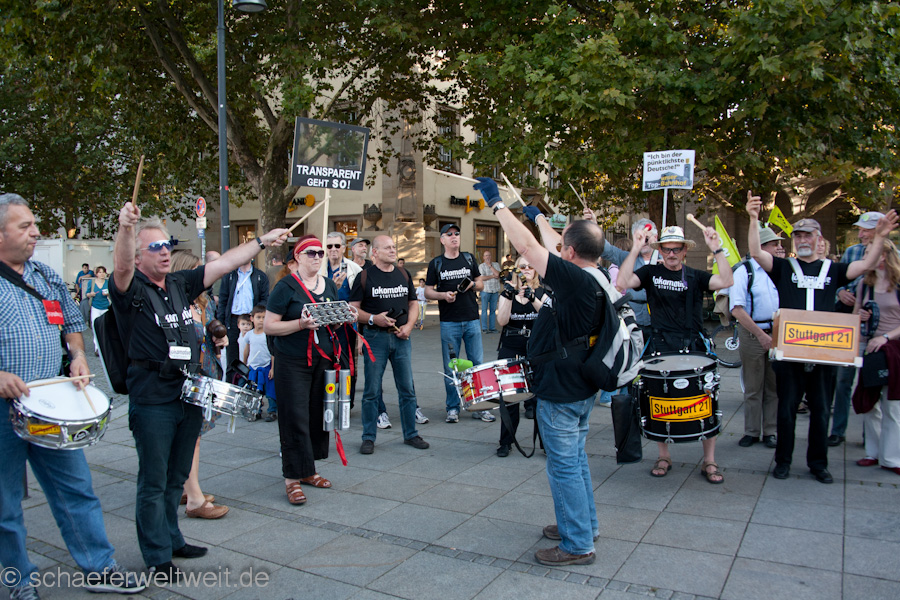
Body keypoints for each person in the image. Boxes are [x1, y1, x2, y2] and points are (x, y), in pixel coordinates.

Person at [109, 201, 287, 580]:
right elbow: (121, 267)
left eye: (167, 245)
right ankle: (158, 557)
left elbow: (224, 264)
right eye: (154, 247)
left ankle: (173, 539)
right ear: (138, 257)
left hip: (188, 392)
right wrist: (125, 228)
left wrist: (262, 241)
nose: (164, 252)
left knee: (176, 476)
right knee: (154, 481)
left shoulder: (178, 282)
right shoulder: (131, 288)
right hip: (152, 397)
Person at [0, 194, 145, 598]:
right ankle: (18, 580)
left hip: (50, 405)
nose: (35, 232)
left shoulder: (45, 276)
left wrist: (78, 356)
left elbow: (70, 324)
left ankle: (100, 567)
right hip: (2, 411)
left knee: (76, 489)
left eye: (34, 224)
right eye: (25, 227)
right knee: (5, 505)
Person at [473, 179, 601, 567]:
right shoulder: (595, 274)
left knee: (564, 467)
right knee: (575, 460)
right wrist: (539, 217)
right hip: (580, 382)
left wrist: (497, 205)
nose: (557, 249)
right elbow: (553, 243)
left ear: (570, 252)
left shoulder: (574, 279)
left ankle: (577, 544)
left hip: (563, 387)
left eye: (563, 246)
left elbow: (529, 248)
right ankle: (583, 526)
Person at [746, 192, 897, 483]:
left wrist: (879, 237)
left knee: (821, 411)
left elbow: (866, 265)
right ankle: (783, 461)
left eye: (808, 235)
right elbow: (756, 253)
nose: (802, 240)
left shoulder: (834, 270)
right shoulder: (784, 268)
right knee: (786, 411)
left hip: (825, 354)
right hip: (790, 353)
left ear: (818, 239)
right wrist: (753, 218)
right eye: (798, 236)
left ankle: (818, 464)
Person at [617, 224, 734, 484]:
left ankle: (709, 460)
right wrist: (635, 248)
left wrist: (717, 249)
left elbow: (726, 281)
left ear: (684, 251)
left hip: (694, 343)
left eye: (676, 250)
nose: (671, 254)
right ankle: (664, 456)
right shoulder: (650, 272)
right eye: (667, 249)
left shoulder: (695, 276)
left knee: (706, 397)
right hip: (661, 343)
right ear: (660, 250)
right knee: (659, 398)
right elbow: (622, 283)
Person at [264, 235, 350, 505]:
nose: (317, 257)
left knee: (316, 415)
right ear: (298, 257)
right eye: (310, 253)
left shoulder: (328, 284)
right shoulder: (285, 286)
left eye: (320, 253)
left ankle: (308, 469)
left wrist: (339, 319)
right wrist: (300, 325)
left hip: (322, 360)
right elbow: (269, 326)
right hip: (292, 361)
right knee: (294, 418)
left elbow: (331, 322)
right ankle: (291, 479)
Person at [350, 235, 429, 454]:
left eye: (394, 247)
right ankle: (368, 437)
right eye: (387, 248)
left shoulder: (403, 274)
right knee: (371, 390)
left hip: (402, 338)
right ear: (375, 252)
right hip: (375, 338)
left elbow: (413, 303)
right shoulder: (364, 276)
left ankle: (411, 434)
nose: (393, 250)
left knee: (407, 389)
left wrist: (409, 326)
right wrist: (373, 319)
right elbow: (352, 308)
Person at [169, 250, 229, 521]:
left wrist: (221, 340)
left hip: (206, 373)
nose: (201, 275)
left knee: (195, 436)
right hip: (185, 377)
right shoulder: (172, 303)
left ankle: (185, 487)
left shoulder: (204, 301)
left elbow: (209, 333)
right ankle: (194, 499)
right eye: (195, 270)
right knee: (189, 437)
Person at [425, 224, 494, 423]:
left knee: (477, 364)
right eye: (449, 234)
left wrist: (472, 285)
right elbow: (428, 291)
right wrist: (442, 295)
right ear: (442, 240)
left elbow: (480, 284)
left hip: (472, 319)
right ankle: (453, 408)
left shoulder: (469, 258)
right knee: (451, 368)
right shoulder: (436, 263)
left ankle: (479, 407)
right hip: (449, 322)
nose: (454, 236)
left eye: (457, 233)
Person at [829, 211, 884, 447]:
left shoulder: (892, 255)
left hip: (878, 330)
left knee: (872, 382)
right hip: (850, 324)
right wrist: (840, 292)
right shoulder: (852, 252)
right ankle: (838, 430)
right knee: (843, 379)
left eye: (865, 230)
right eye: (859, 229)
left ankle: (869, 435)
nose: (860, 234)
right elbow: (836, 281)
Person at [730, 226, 783, 448]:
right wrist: (761, 335)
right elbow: (737, 309)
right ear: (761, 247)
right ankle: (751, 431)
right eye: (774, 244)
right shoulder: (744, 271)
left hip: (778, 333)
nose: (779, 248)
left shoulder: (781, 269)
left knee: (774, 386)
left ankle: (771, 431)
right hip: (753, 334)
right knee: (753, 386)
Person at [854, 239, 900, 475]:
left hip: (894, 348)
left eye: (869, 253)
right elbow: (854, 315)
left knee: (892, 405)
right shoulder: (865, 283)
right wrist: (860, 316)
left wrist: (886, 337)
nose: (865, 258)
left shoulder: (898, 283)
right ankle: (872, 452)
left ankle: (891, 458)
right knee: (870, 402)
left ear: (883, 256)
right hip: (868, 348)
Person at [495, 257, 545, 456]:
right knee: (510, 398)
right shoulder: (507, 293)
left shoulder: (541, 292)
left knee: (541, 399)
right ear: (516, 270)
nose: (526, 269)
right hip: (510, 347)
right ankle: (506, 441)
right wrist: (508, 295)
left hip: (536, 350)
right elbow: (502, 320)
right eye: (522, 267)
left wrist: (533, 299)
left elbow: (547, 318)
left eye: (530, 266)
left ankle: (546, 443)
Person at [598, 217, 658, 342]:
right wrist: (594, 225)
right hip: (635, 319)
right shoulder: (628, 258)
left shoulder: (665, 259)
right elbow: (606, 250)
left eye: (647, 238)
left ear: (655, 237)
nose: (644, 242)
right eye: (640, 238)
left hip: (658, 320)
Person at [216, 258, 269, 379]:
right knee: (232, 358)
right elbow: (223, 301)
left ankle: (250, 383)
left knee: (253, 356)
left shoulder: (260, 276)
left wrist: (256, 316)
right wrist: (221, 323)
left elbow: (265, 299)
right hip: (234, 320)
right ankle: (232, 384)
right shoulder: (229, 276)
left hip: (252, 319)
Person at [245, 305, 277, 422]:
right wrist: (244, 363)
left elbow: (273, 352)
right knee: (254, 391)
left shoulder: (268, 334)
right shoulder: (249, 334)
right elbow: (246, 350)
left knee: (270, 390)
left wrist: (273, 368)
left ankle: (272, 411)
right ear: (252, 318)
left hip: (266, 366)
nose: (261, 320)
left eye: (264, 317)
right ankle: (256, 411)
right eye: (258, 317)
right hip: (254, 367)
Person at [86, 265, 110, 356]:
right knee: (95, 326)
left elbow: (113, 293)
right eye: (100, 272)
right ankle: (97, 347)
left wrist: (108, 294)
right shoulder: (91, 282)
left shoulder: (108, 283)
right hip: (95, 307)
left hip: (106, 307)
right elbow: (86, 294)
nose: (102, 274)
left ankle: (105, 347)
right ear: (96, 274)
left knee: (106, 328)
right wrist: (91, 294)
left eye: (103, 272)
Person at [479, 250, 502, 333]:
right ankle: (484, 328)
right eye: (486, 255)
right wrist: (493, 276)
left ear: (491, 256)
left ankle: (492, 328)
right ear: (483, 257)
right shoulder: (481, 266)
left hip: (495, 290)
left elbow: (498, 275)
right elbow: (482, 278)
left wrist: (490, 266)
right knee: (484, 310)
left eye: (489, 255)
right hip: (485, 290)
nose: (487, 257)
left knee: (493, 310)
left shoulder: (496, 264)